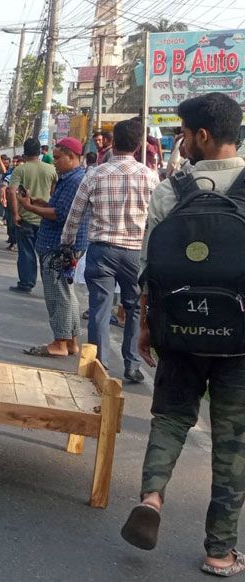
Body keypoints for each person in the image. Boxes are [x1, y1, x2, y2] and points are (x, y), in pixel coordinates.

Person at [121, 93, 245, 575]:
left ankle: (151, 498)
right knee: (232, 438)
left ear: (204, 136)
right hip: (239, 339)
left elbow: (152, 267)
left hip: (181, 326)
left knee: (171, 419)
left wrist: (149, 327)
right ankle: (219, 550)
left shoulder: (171, 189)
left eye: (185, 134)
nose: (182, 142)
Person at [60, 119, 157, 384]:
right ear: (138, 146)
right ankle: (132, 364)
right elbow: (157, 219)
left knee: (99, 309)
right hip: (135, 252)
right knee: (134, 308)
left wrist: (67, 244)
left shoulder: (95, 174)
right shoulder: (150, 176)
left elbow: (75, 213)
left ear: (113, 142)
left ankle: (99, 366)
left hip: (101, 250)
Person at [17, 137, 88, 358]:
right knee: (67, 293)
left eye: (57, 158)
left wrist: (29, 207)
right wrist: (40, 203)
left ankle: (60, 342)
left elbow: (60, 215)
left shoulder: (74, 180)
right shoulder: (72, 178)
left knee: (57, 295)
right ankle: (71, 340)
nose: (54, 161)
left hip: (59, 246)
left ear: (72, 157)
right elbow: (58, 208)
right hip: (65, 245)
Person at [7, 138, 57, 294]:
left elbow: (11, 191)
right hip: (46, 217)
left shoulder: (20, 169)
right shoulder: (51, 169)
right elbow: (55, 192)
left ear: (25, 152)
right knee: (46, 254)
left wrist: (15, 214)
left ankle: (27, 283)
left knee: (26, 252)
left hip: (26, 217)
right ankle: (50, 285)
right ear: (40, 152)